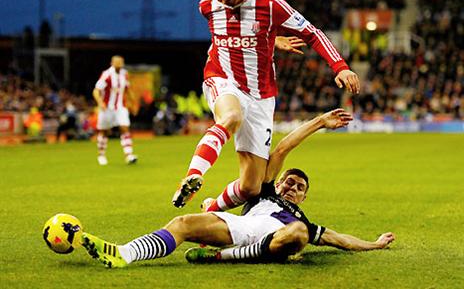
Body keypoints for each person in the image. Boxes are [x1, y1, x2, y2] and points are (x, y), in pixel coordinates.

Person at [81, 109, 394, 268]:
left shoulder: (302, 219)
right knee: (182, 223)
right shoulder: (266, 191)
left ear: (304, 196)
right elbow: (282, 148)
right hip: (241, 227)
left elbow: (340, 240)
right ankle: (123, 253)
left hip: (279, 237)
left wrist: (375, 244)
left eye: (299, 186)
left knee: (299, 233)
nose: (291, 186)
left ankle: (224, 257)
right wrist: (319, 122)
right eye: (289, 180)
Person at [172, 0, 360, 208]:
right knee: (231, 117)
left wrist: (340, 67)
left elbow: (312, 33)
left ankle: (211, 208)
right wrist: (271, 40)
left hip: (261, 95)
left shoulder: (271, 5)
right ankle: (192, 176)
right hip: (222, 78)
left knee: (252, 186)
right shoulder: (207, 5)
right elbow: (222, 38)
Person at [92, 55, 138, 165]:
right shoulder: (106, 75)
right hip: (107, 107)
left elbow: (128, 90)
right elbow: (96, 91)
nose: (119, 66)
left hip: (121, 107)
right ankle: (101, 155)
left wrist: (133, 103)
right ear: (112, 63)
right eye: (117, 64)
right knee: (104, 131)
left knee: (124, 128)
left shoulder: (124, 74)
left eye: (120, 64)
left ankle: (129, 155)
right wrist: (100, 102)